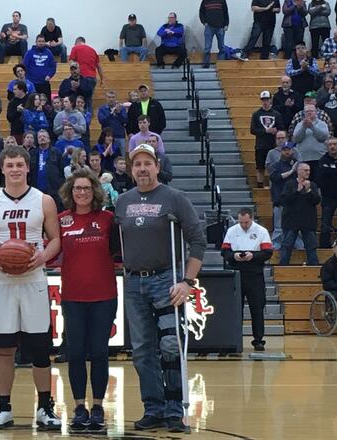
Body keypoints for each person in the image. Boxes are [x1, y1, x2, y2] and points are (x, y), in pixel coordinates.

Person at [114, 144, 206, 433]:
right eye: (137, 164)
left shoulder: (175, 198)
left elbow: (198, 241)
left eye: (147, 163)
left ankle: (174, 411)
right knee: (142, 350)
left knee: (169, 346)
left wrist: (187, 282)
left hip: (166, 280)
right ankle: (153, 408)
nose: (142, 168)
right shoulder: (123, 202)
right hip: (133, 282)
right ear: (131, 170)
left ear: (157, 167)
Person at [0, 146, 62, 430]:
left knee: (40, 350)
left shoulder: (45, 201)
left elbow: (55, 240)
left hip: (34, 281)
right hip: (2, 283)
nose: (14, 169)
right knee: (4, 350)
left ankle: (45, 408)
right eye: (9, 165)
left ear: (28, 168)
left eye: (19, 164)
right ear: (1, 169)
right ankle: (4, 409)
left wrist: (42, 256)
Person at [55, 168, 118, 431]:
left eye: (87, 188)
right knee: (76, 352)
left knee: (100, 352)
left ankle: (98, 406)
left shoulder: (107, 219)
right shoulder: (60, 220)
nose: (82, 192)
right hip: (73, 297)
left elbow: (119, 252)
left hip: (104, 295)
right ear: (70, 192)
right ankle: (79, 406)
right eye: (77, 188)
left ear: (95, 191)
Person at [221, 208, 273, 351]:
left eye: (246, 222)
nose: (244, 225)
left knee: (257, 307)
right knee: (236, 308)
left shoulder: (261, 231)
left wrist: (253, 256)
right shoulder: (232, 231)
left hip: (254, 273)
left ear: (252, 218)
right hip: (236, 272)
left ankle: (258, 339)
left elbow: (268, 252)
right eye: (241, 222)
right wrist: (234, 256)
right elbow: (224, 251)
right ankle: (234, 338)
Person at [279, 162, 321, 265]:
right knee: (287, 245)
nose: (308, 172)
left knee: (311, 246)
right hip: (291, 220)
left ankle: (314, 268)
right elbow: (285, 201)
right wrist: (297, 191)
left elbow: (316, 201)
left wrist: (308, 191)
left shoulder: (312, 185)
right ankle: (283, 267)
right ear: (298, 171)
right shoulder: (289, 184)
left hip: (308, 221)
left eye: (309, 170)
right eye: (305, 170)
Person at [251, 91, 286, 187]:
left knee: (274, 166)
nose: (265, 102)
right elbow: (253, 130)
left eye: (267, 99)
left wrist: (276, 131)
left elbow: (281, 127)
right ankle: (260, 185)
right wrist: (266, 131)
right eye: (263, 100)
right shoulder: (256, 114)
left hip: (273, 144)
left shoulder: (276, 114)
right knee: (260, 167)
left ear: (270, 100)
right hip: (261, 145)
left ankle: (274, 184)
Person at [269, 142, 300, 248]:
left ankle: (299, 247)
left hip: (296, 201)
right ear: (281, 151)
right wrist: (292, 171)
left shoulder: (298, 165)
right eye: (284, 149)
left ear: (292, 150)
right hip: (280, 201)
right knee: (278, 227)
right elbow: (275, 178)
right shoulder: (276, 165)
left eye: (289, 149)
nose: (287, 152)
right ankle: (276, 246)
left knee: (297, 226)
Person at [29, 130, 65, 210]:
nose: (42, 138)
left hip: (53, 190)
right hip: (36, 190)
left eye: (44, 136)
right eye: (40, 137)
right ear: (37, 140)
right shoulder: (32, 153)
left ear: (49, 139)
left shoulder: (56, 152)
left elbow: (61, 171)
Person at [293, 104, 331, 179]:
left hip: (319, 158)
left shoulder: (322, 124)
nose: (309, 113)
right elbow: (296, 139)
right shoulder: (299, 125)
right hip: (304, 159)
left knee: (319, 182)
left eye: (311, 111)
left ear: (316, 112)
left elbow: (323, 137)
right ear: (304, 113)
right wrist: (303, 127)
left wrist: (312, 127)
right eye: (307, 111)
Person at [68, 38, 104, 108]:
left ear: (77, 42)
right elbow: (99, 67)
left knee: (78, 99)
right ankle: (88, 117)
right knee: (88, 99)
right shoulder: (93, 50)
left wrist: (74, 73)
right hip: (92, 78)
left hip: (81, 77)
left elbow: (71, 63)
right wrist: (102, 79)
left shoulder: (75, 48)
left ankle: (80, 117)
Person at [23, 35, 56, 100]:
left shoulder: (49, 53)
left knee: (46, 104)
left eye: (43, 41)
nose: (41, 43)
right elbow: (25, 66)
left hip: (44, 83)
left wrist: (49, 75)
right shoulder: (29, 53)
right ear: (36, 42)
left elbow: (53, 66)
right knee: (32, 103)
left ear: (45, 42)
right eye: (39, 41)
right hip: (32, 83)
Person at [199, 0, 229, 68]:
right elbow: (201, 12)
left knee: (222, 47)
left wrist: (226, 24)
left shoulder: (222, 1)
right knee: (207, 48)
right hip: (209, 27)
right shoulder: (205, 1)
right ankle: (206, 65)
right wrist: (204, 22)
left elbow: (226, 12)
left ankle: (221, 65)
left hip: (220, 27)